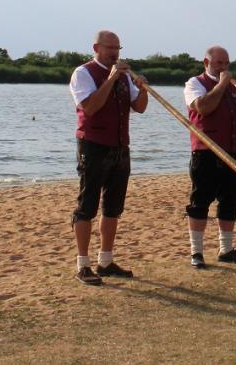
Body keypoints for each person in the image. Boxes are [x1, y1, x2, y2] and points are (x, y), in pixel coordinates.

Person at [68, 30, 149, 285]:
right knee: (87, 206)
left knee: (113, 207)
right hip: (93, 145)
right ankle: (83, 264)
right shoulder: (83, 73)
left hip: (120, 146)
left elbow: (140, 108)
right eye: (110, 48)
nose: (115, 53)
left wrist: (142, 89)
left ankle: (105, 260)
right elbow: (90, 107)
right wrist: (112, 78)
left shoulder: (124, 76)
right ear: (96, 47)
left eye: (118, 48)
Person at [183, 46, 236, 269]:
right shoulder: (194, 84)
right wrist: (221, 84)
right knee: (200, 201)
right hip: (206, 151)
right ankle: (196, 252)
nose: (223, 68)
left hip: (235, 150)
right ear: (206, 63)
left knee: (229, 201)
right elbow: (203, 108)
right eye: (219, 63)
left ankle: (226, 249)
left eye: (226, 64)